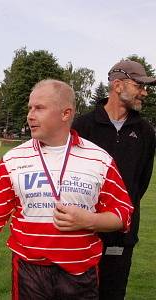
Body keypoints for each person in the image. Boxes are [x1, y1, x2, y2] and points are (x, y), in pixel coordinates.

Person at [0, 79, 133, 299]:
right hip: (30, 272)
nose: (30, 115)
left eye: (39, 108)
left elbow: (122, 214)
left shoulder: (99, 159)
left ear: (65, 114)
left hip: (81, 273)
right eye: (30, 108)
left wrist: (89, 221)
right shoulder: (13, 159)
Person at [72, 60, 156, 300]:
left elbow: (140, 184)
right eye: (139, 85)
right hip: (81, 233)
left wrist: (119, 215)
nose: (145, 92)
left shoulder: (145, 132)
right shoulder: (82, 127)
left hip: (121, 235)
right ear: (117, 85)